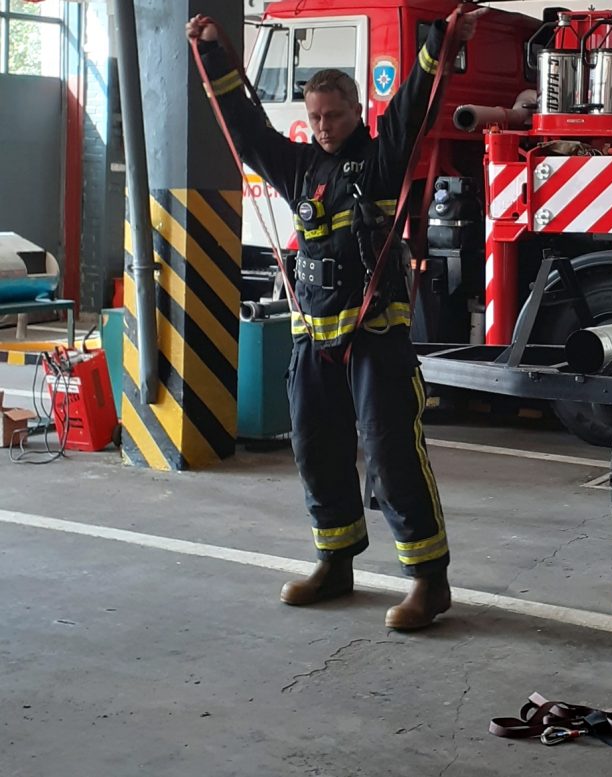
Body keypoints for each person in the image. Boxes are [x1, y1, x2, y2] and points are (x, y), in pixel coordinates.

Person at [186, 6, 486, 630]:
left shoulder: (382, 159)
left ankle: (429, 582)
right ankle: (336, 563)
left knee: (390, 451)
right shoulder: (298, 167)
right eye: (315, 117)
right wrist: (215, 54)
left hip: (376, 337)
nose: (324, 127)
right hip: (312, 342)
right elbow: (245, 127)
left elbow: (415, 100)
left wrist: (443, 34)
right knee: (317, 450)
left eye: (335, 116)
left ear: (357, 113)